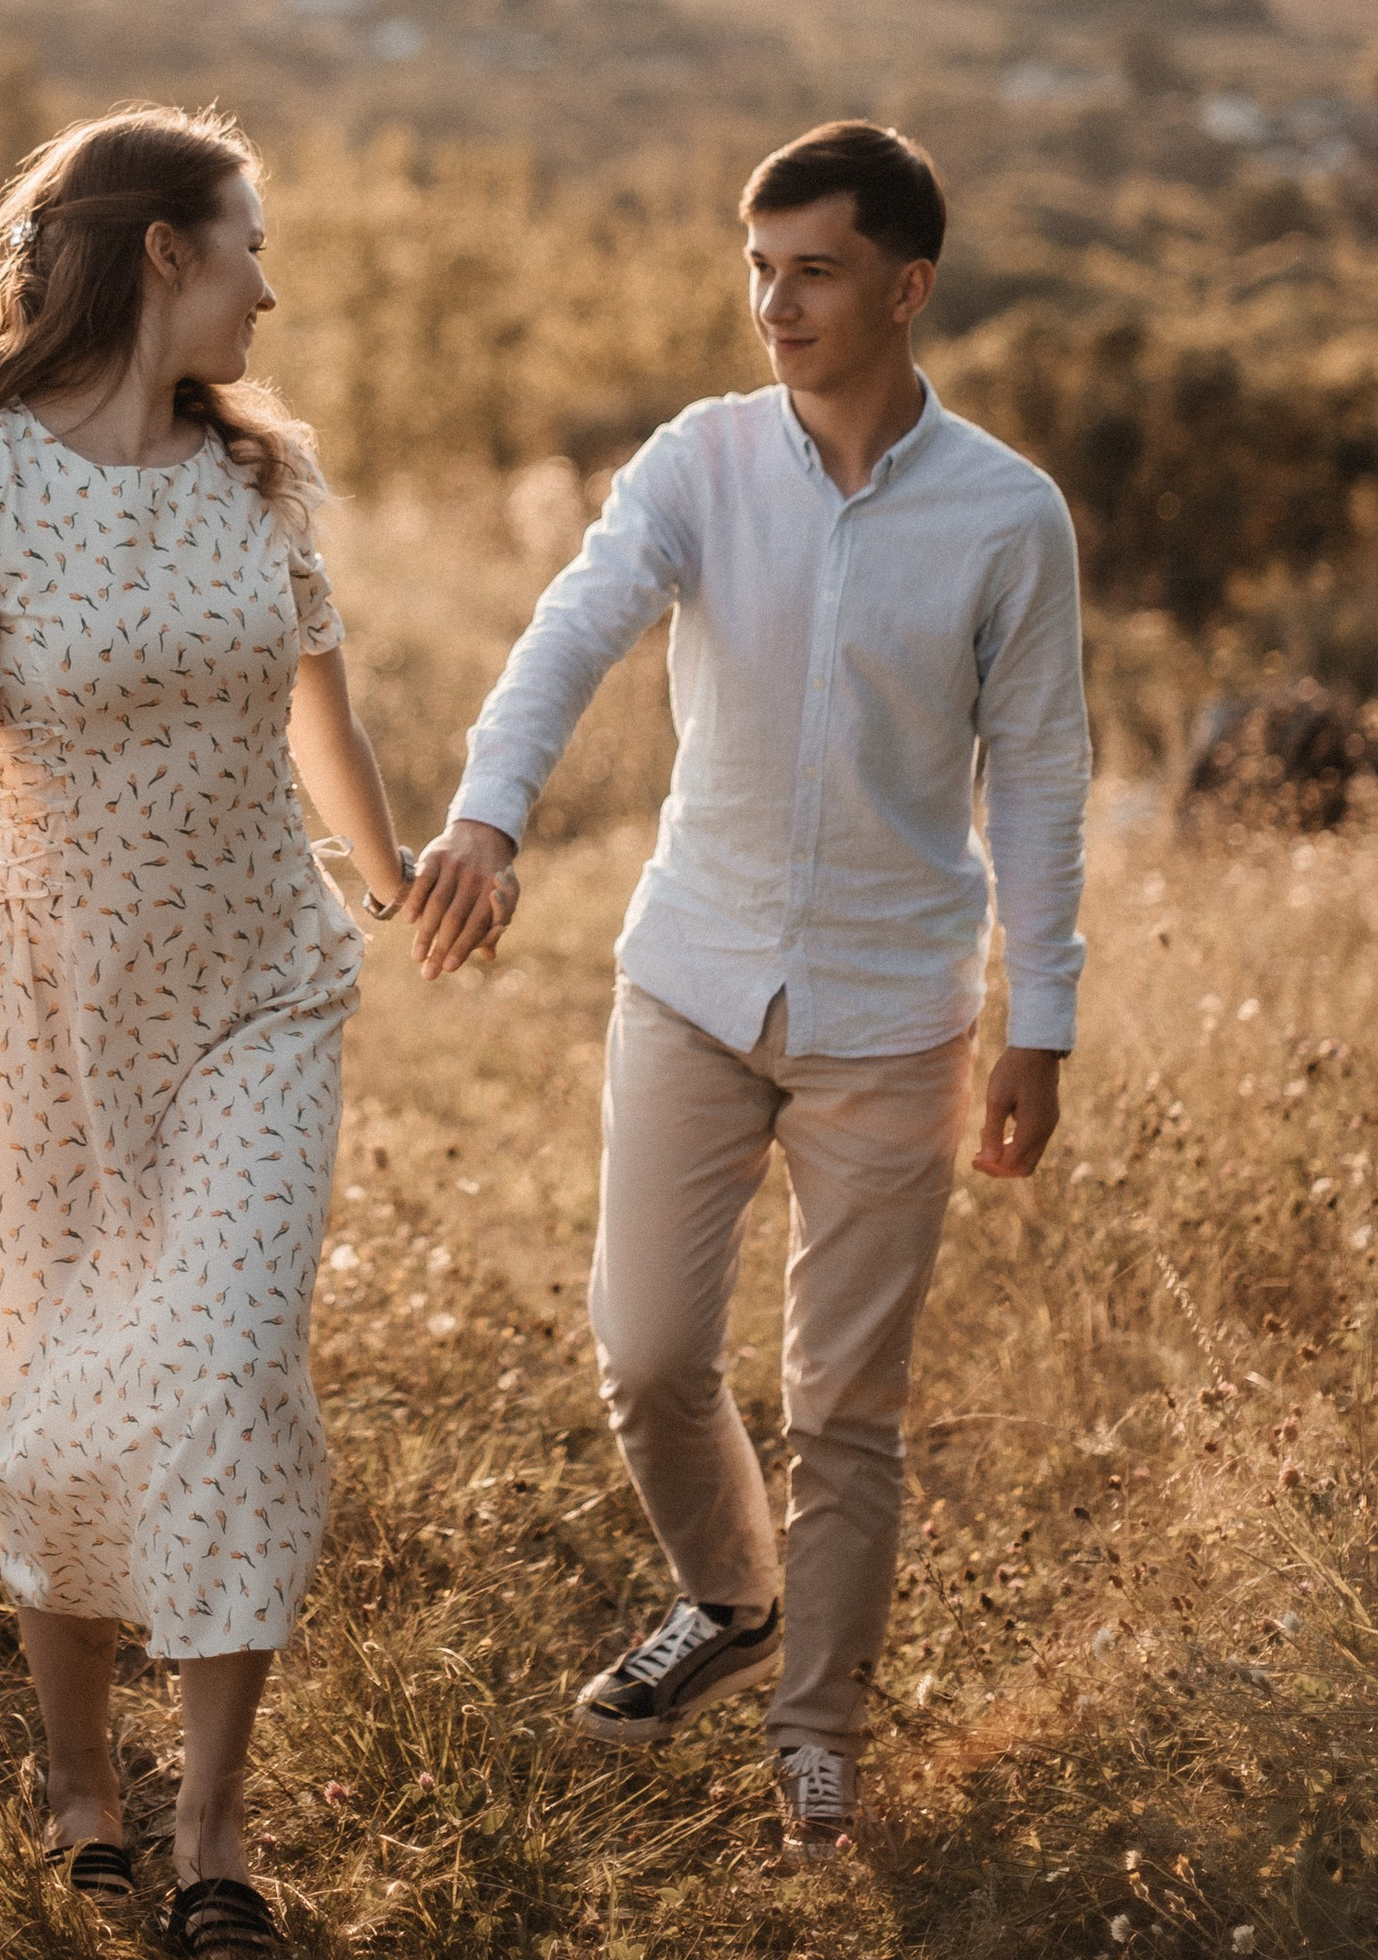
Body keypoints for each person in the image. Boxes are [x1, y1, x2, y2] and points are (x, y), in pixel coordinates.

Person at [0, 107, 498, 1960]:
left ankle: (211, 1827)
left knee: (218, 1369)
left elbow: (324, 726)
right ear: (159, 256)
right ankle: (81, 1787)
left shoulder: (256, 481)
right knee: (53, 1409)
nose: (271, 290)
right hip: (51, 1023)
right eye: (248, 249)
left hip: (261, 997)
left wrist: (402, 876)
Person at [406, 119, 1089, 1864]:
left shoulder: (1009, 517)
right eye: (759, 271)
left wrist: (1041, 1017)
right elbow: (574, 626)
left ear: (908, 287)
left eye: (814, 271)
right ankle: (731, 1593)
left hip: (895, 1015)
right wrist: (489, 812)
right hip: (692, 978)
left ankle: (818, 1742)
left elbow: (1040, 783)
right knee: (646, 1352)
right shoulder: (699, 464)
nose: (774, 305)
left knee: (845, 1407)